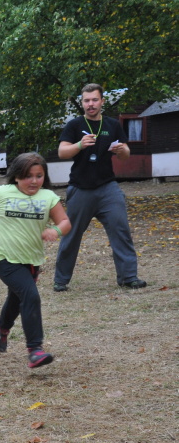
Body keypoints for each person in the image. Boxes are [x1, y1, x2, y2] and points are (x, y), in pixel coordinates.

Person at [0, 152, 71, 368]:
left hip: (31, 259)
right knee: (30, 295)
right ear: (16, 176)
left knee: (17, 298)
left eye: (39, 176)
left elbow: (65, 222)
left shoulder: (48, 197)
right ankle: (35, 349)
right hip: (4, 257)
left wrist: (56, 231)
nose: (34, 181)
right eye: (28, 176)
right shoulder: (1, 192)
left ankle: (1, 326)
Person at [53, 83, 146, 291]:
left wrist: (121, 150)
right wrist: (79, 145)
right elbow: (62, 152)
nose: (91, 104)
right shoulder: (74, 125)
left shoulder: (112, 125)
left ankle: (129, 277)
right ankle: (61, 280)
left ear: (102, 101)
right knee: (71, 234)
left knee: (121, 230)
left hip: (107, 187)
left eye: (95, 100)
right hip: (80, 188)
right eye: (86, 100)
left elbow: (125, 154)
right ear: (82, 102)